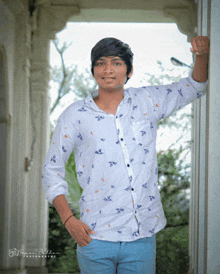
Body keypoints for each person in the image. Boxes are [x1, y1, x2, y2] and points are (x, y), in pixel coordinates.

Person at [42, 35, 209, 274]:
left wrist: (201, 56)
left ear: (129, 71)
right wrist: (69, 222)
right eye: (100, 63)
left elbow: (195, 86)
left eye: (117, 63)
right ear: (93, 70)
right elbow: (51, 170)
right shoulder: (75, 115)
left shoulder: (148, 101)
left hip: (141, 238)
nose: (108, 69)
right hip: (94, 237)